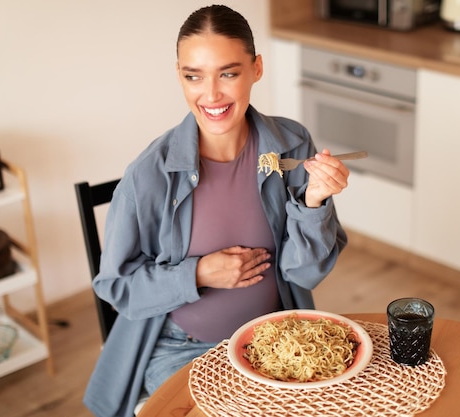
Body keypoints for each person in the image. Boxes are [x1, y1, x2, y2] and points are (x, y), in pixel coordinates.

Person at [83, 5, 349, 417]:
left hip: (274, 338)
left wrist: (313, 202)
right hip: (179, 348)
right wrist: (199, 273)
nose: (211, 95)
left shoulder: (291, 145)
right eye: (194, 76)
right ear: (179, 75)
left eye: (228, 73)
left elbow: (304, 273)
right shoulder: (148, 175)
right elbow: (116, 287)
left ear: (256, 68)